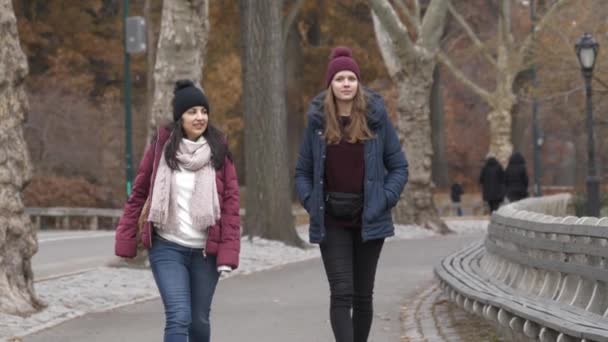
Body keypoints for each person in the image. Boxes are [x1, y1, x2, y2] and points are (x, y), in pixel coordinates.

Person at [295, 46, 408, 342]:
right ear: (330, 84)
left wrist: (383, 199)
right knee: (341, 291)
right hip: (331, 220)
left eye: (351, 78)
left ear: (358, 83)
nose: (346, 83)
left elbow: (398, 167)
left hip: (369, 217)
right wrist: (312, 202)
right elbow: (302, 172)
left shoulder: (376, 118)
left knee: (362, 295)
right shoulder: (317, 122)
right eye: (339, 79)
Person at [114, 80, 240, 342]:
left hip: (206, 251)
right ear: (179, 117)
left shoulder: (219, 151)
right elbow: (139, 194)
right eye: (192, 111)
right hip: (167, 246)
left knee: (198, 321)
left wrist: (228, 253)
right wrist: (126, 239)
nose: (199, 117)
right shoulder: (162, 149)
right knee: (178, 315)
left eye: (203, 111)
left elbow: (230, 207)